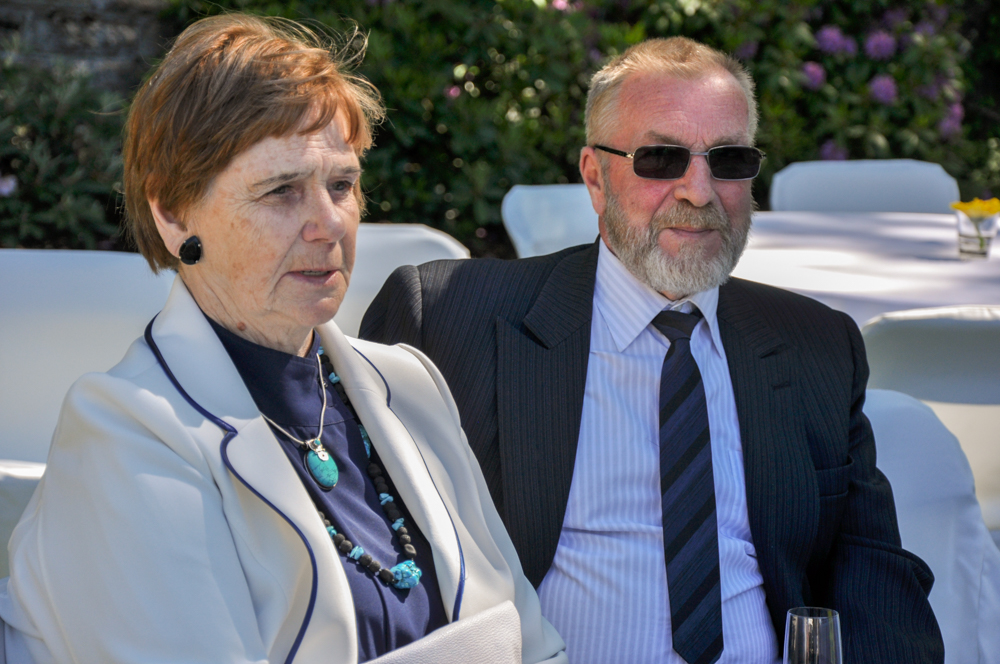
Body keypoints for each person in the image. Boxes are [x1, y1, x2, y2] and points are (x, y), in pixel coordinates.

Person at [0, 14, 566, 664]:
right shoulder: (125, 432)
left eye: (342, 185)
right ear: (173, 214)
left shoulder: (409, 385)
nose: (329, 222)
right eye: (281, 191)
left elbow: (533, 641)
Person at [361, 37, 943, 664]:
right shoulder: (449, 319)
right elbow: (368, 552)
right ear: (595, 177)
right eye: (662, 159)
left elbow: (872, 570)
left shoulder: (814, 344)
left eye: (729, 160)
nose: (699, 191)